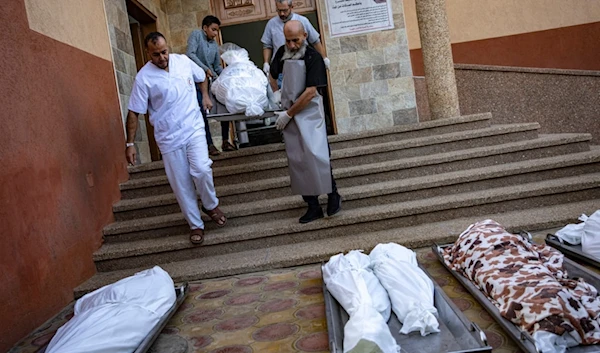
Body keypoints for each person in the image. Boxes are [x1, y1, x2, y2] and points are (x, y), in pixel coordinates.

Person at [126, 32, 227, 244]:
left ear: (168, 47)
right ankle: (195, 224)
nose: (162, 58)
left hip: (193, 128)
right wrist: (130, 144)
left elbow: (202, 77)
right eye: (156, 55)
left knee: (201, 169)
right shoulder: (143, 78)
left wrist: (206, 96)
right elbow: (134, 111)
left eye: (164, 52)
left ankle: (210, 205)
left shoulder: (183, 61)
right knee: (181, 183)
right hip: (168, 136)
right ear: (148, 53)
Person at [269, 20, 341, 223]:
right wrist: (275, 93)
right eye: (288, 40)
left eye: (296, 40)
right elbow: (272, 74)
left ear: (305, 37)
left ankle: (333, 195)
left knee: (318, 155)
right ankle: (312, 205)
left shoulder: (313, 57)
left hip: (310, 114)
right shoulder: (283, 52)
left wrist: (288, 114)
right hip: (291, 114)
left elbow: (310, 92)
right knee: (298, 159)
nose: (291, 45)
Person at [187, 15, 237, 156]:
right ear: (205, 28)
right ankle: (209, 144)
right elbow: (190, 54)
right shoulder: (196, 35)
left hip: (211, 80)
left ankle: (226, 141)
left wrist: (228, 74)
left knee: (225, 105)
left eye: (217, 30)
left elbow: (216, 66)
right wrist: (204, 68)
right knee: (202, 111)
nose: (215, 33)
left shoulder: (214, 45)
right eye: (213, 30)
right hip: (196, 82)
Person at [261, 0, 329, 80]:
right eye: (279, 10)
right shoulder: (271, 24)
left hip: (302, 64)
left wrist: (324, 58)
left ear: (291, 7)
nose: (282, 13)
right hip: (281, 67)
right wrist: (266, 62)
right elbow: (267, 45)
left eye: (285, 10)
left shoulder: (303, 21)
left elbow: (315, 41)